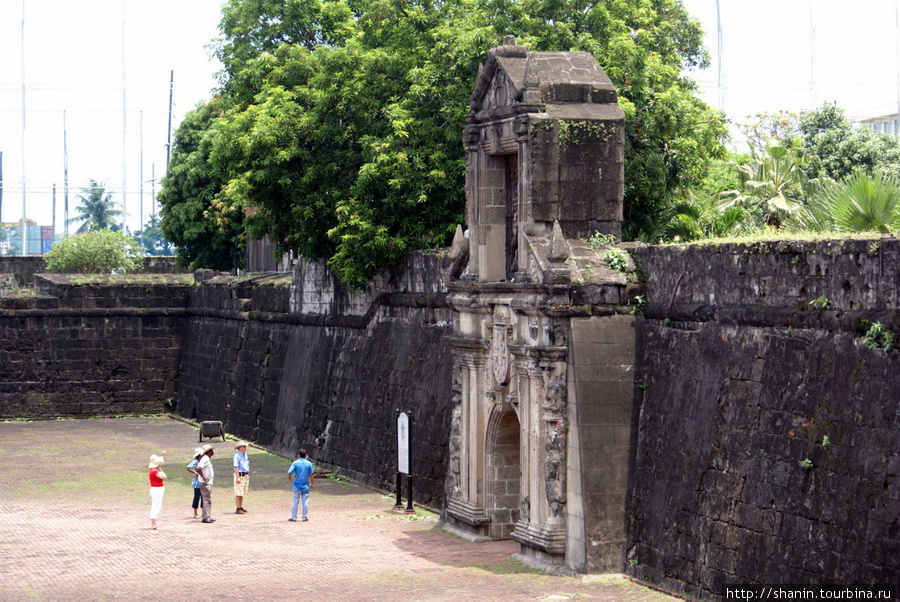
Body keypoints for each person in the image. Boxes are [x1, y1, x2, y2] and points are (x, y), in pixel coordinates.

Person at [287, 449, 315, 522]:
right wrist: (312, 484)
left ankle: (293, 517)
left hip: (296, 485)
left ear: (298, 455)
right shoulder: (309, 463)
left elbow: (289, 472)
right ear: (305, 455)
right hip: (305, 486)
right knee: (305, 502)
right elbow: (311, 475)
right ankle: (304, 517)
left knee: (295, 501)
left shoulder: (295, 463)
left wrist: (289, 479)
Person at [197, 444, 215, 523]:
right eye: (211, 450)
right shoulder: (205, 459)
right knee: (206, 500)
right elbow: (198, 468)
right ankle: (205, 517)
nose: (212, 451)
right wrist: (204, 477)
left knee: (207, 499)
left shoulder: (206, 458)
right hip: (204, 482)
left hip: (206, 482)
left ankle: (207, 516)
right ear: (208, 452)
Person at [148, 454, 167, 530]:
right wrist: (160, 470)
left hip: (157, 488)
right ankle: (153, 523)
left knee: (156, 505)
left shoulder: (153, 470)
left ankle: (154, 523)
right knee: (156, 505)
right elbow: (164, 476)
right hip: (157, 489)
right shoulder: (155, 471)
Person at [186, 447, 204, 519]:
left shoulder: (203, 461)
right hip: (197, 483)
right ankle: (195, 513)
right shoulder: (196, 461)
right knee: (197, 497)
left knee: (203, 497)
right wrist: (195, 472)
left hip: (202, 481)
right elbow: (188, 467)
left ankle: (203, 512)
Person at [233, 440, 250, 514]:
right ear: (240, 448)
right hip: (240, 474)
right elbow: (236, 467)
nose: (245, 448)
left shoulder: (245, 454)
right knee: (238, 492)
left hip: (245, 474)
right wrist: (237, 477)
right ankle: (237, 507)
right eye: (244, 446)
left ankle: (240, 506)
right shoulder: (236, 456)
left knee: (242, 492)